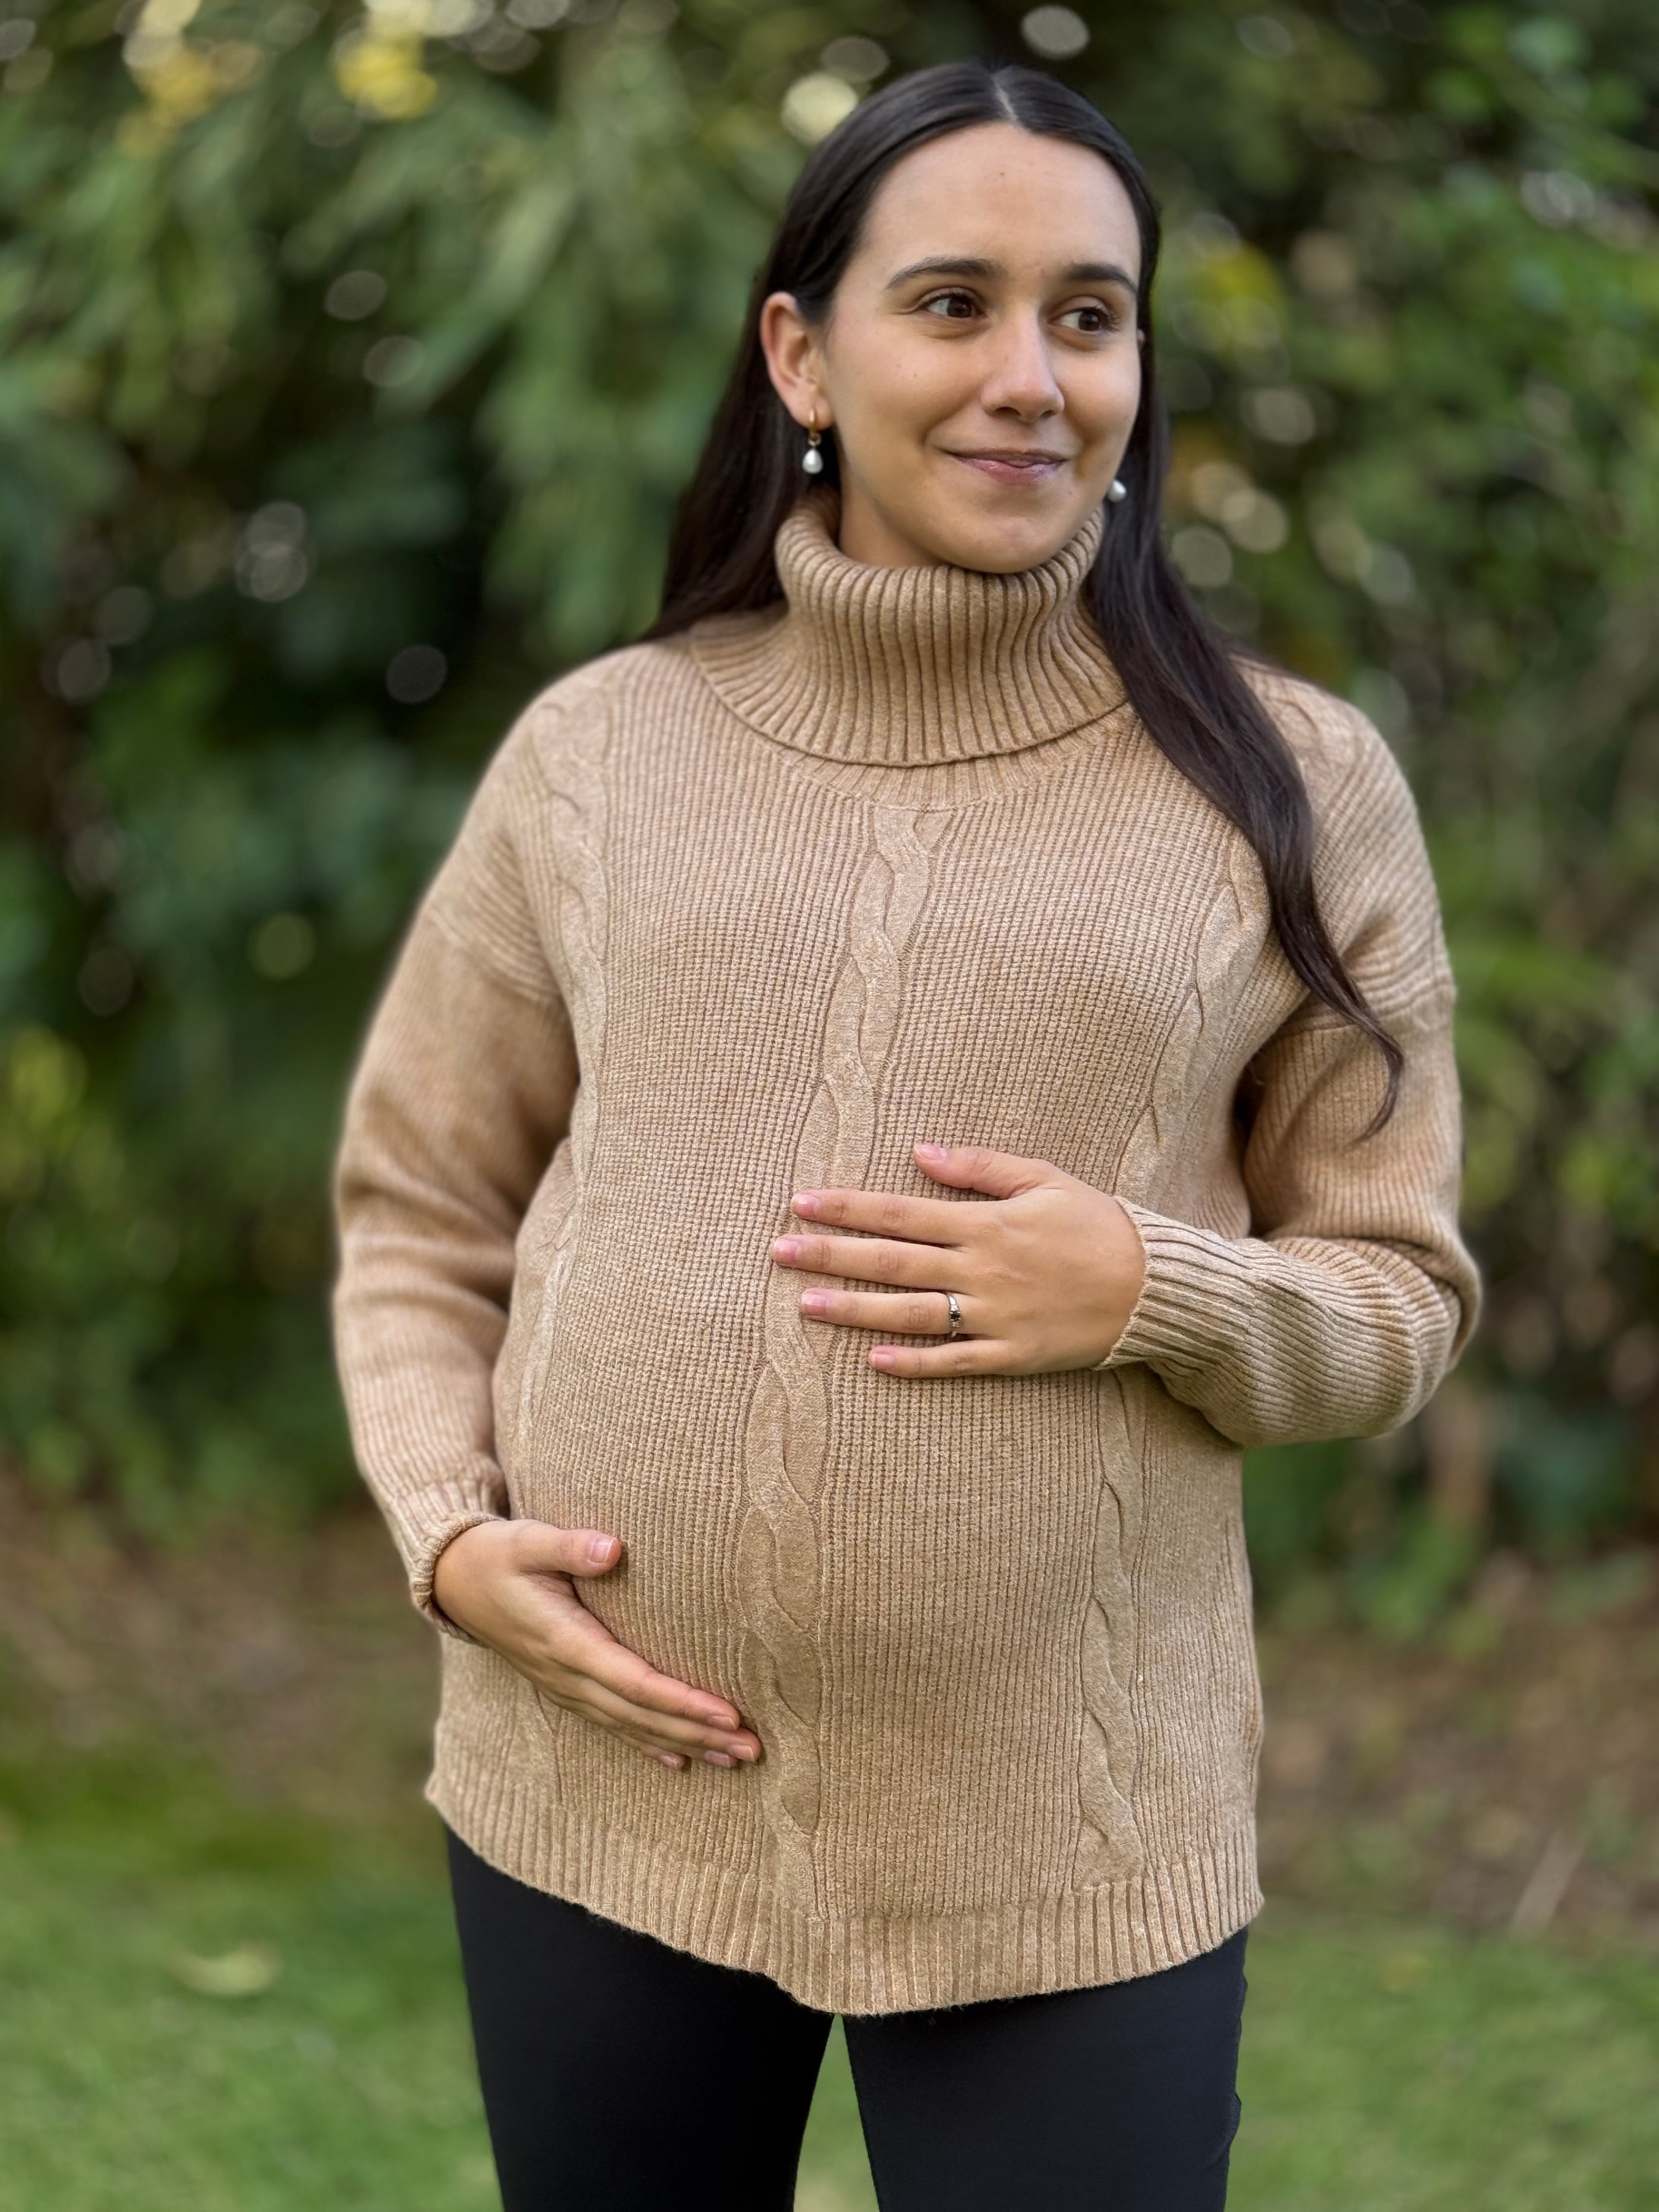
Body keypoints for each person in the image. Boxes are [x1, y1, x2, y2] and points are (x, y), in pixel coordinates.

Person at [331, 58, 1479, 2212]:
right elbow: (423, 1200)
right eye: (953, 304)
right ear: (806, 355)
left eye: (1091, 314)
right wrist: (446, 1525)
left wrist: (1155, 1284)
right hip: (600, 1791)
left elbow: (1397, 1291)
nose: (1032, 377)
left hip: (1073, 1842)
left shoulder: (1291, 786)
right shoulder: (605, 750)